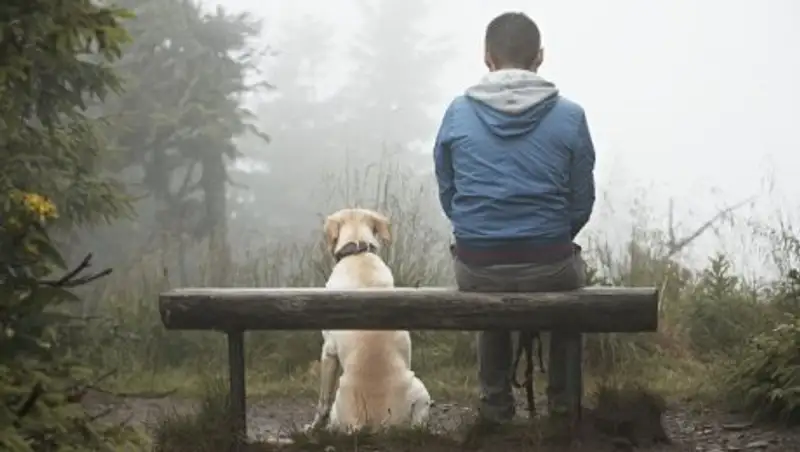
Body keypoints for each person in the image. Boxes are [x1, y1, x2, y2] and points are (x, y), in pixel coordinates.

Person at [432, 11, 596, 424]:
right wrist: (548, 237)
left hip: (477, 264)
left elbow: (449, 192)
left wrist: (483, 231)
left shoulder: (457, 113)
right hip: (550, 264)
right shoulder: (571, 116)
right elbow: (582, 201)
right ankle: (564, 410)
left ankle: (495, 408)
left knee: (488, 288)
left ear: (487, 58)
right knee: (568, 300)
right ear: (539, 57)